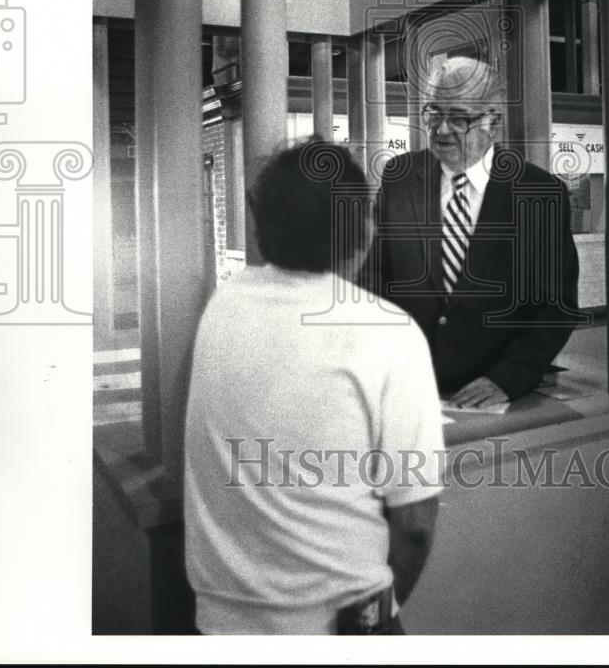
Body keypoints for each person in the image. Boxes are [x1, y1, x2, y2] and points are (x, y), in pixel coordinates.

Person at [184, 140, 445, 634]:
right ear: (363, 232)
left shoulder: (223, 306)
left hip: (217, 625)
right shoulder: (388, 332)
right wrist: (374, 622)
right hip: (335, 625)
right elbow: (414, 526)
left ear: (262, 229)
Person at [369, 56, 581, 408]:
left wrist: (507, 377)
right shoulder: (400, 176)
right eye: (433, 114)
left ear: (493, 123)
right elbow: (374, 277)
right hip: (402, 385)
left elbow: (555, 307)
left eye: (458, 117)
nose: (440, 129)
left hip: (490, 393)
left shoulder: (538, 194)